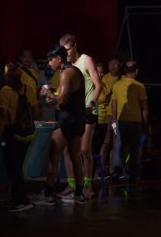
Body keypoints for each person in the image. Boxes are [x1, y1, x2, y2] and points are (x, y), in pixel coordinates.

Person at [32, 45, 86, 205]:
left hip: (67, 120)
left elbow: (62, 100)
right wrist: (55, 96)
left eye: (51, 59)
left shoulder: (65, 73)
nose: (49, 63)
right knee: (76, 156)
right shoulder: (76, 72)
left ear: (59, 59)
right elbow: (68, 97)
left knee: (53, 156)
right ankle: (79, 194)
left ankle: (48, 194)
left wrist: (47, 93)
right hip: (78, 120)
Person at [58, 33, 102, 199]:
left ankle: (87, 185)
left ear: (75, 46)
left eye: (68, 49)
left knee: (84, 150)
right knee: (68, 151)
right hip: (73, 112)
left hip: (88, 111)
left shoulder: (86, 60)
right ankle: (72, 185)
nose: (67, 53)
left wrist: (91, 104)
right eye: (64, 50)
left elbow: (98, 85)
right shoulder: (67, 65)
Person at [0, 62, 39, 212]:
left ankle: (22, 200)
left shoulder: (5, 91)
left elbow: (2, 117)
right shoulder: (29, 89)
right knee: (17, 166)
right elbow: (36, 111)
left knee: (13, 168)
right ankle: (16, 198)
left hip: (12, 133)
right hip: (27, 133)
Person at [111, 60, 149, 183]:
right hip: (135, 122)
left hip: (121, 121)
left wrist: (114, 121)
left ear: (125, 71)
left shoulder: (117, 85)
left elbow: (114, 105)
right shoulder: (140, 86)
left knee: (119, 147)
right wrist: (146, 124)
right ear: (136, 71)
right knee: (135, 149)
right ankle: (134, 174)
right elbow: (144, 108)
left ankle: (117, 172)